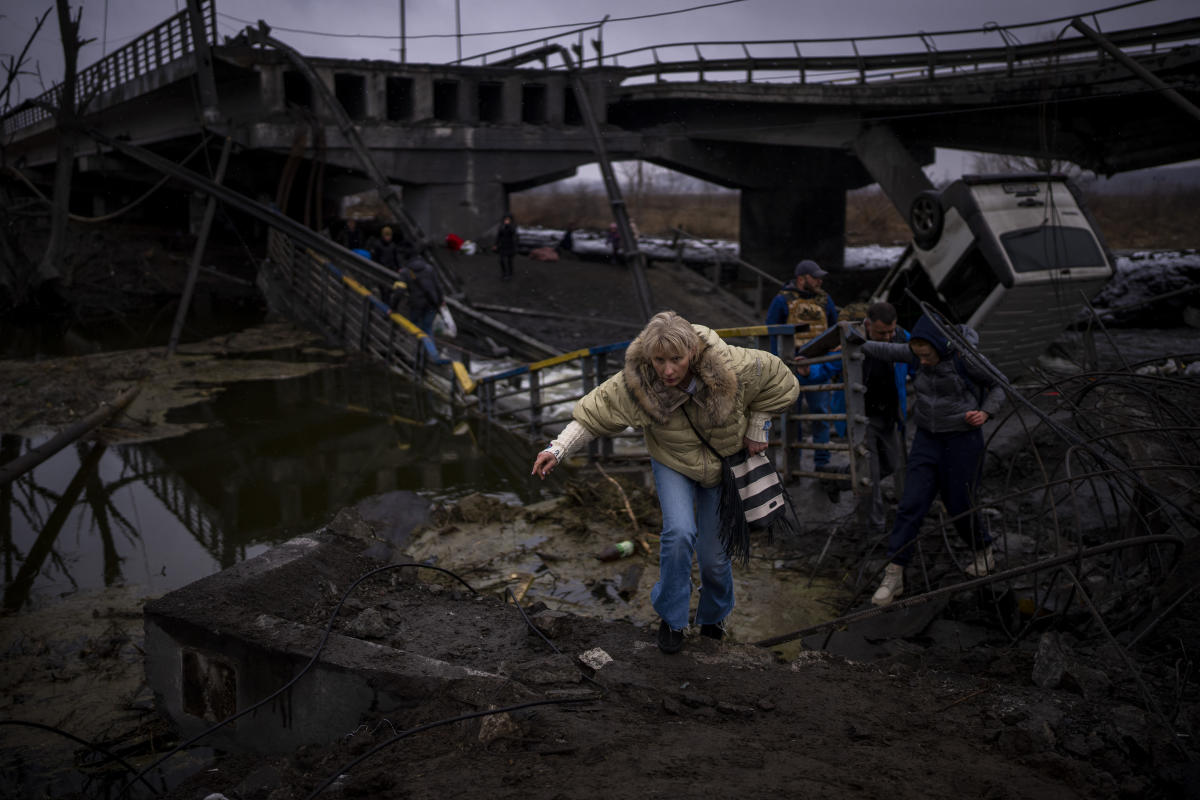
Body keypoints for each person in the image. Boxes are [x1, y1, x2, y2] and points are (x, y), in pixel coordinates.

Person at [531, 311, 798, 654]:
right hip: (673, 462)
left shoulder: (732, 363)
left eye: (676, 360)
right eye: (659, 361)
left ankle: (713, 618)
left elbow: (782, 379)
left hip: (721, 466)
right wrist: (558, 448)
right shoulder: (637, 380)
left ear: (692, 352)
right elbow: (596, 411)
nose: (668, 370)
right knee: (679, 534)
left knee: (714, 558)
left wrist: (759, 424)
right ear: (648, 357)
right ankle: (672, 619)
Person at [857, 314, 1005, 606]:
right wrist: (854, 341)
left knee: (959, 503)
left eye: (927, 356)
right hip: (927, 438)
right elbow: (883, 349)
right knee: (911, 503)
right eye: (918, 355)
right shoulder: (915, 352)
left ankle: (983, 550)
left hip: (962, 439)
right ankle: (894, 574)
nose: (922, 362)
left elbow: (1000, 384)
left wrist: (986, 412)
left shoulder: (966, 357)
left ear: (943, 346)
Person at [801, 302, 911, 530]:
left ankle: (835, 479)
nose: (887, 337)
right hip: (862, 417)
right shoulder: (851, 341)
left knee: (891, 464)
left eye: (891, 331)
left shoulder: (901, 336)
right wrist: (808, 370)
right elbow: (828, 366)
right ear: (868, 325)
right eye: (882, 333)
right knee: (868, 473)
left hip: (889, 414)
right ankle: (874, 528)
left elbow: (919, 353)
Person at [765, 259, 839, 474]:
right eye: (815, 277)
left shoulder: (825, 300)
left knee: (820, 415)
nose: (819, 280)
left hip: (817, 366)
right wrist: (777, 366)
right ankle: (793, 465)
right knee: (791, 418)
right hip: (791, 366)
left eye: (819, 277)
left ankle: (822, 464)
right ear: (801, 278)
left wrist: (831, 361)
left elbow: (834, 329)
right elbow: (771, 333)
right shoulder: (782, 300)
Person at [399, 248, 444, 336]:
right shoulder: (429, 268)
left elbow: (399, 290)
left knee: (415, 326)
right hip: (431, 302)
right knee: (427, 328)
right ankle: (428, 348)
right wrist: (440, 300)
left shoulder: (405, 272)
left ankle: (418, 347)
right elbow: (438, 286)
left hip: (416, 304)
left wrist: (393, 307)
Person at [494, 214, 517, 281]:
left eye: (508, 220)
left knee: (509, 261)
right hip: (503, 246)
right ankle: (504, 273)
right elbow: (499, 236)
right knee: (501, 260)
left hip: (510, 246)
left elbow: (513, 233)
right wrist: (496, 244)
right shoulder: (501, 227)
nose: (506, 221)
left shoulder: (513, 226)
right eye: (505, 219)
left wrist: (508, 226)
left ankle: (510, 274)